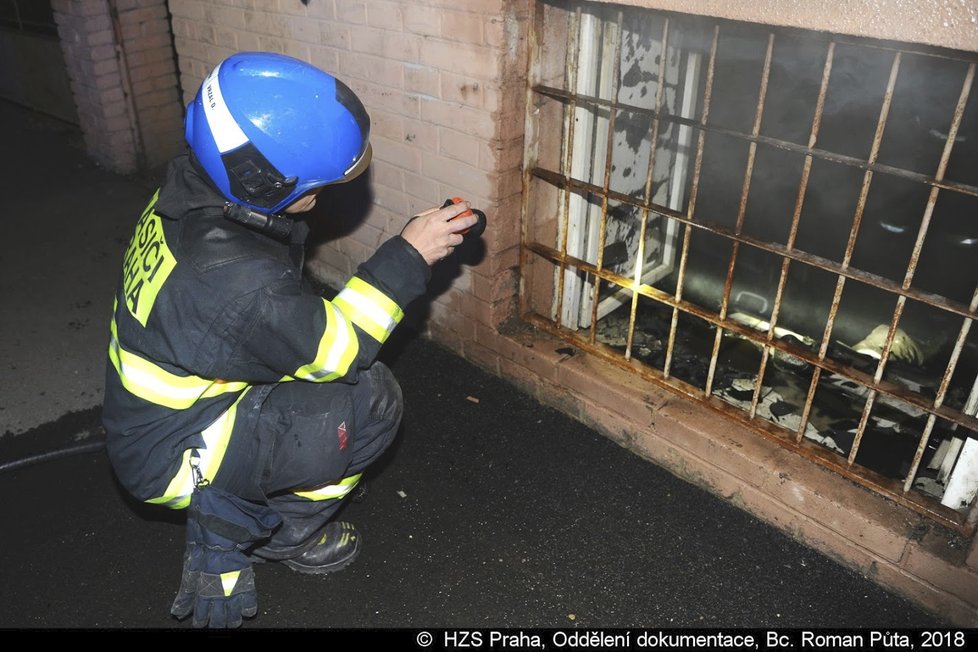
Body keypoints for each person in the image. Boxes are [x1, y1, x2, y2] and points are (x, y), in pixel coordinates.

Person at [101, 51, 478, 628]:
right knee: (370, 400)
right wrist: (409, 255)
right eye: (316, 185)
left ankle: (273, 478)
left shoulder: (194, 188)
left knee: (313, 385)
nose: (323, 196)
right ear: (261, 181)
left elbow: (258, 316)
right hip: (175, 455)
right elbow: (340, 350)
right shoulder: (239, 281)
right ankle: (280, 533)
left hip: (158, 412)